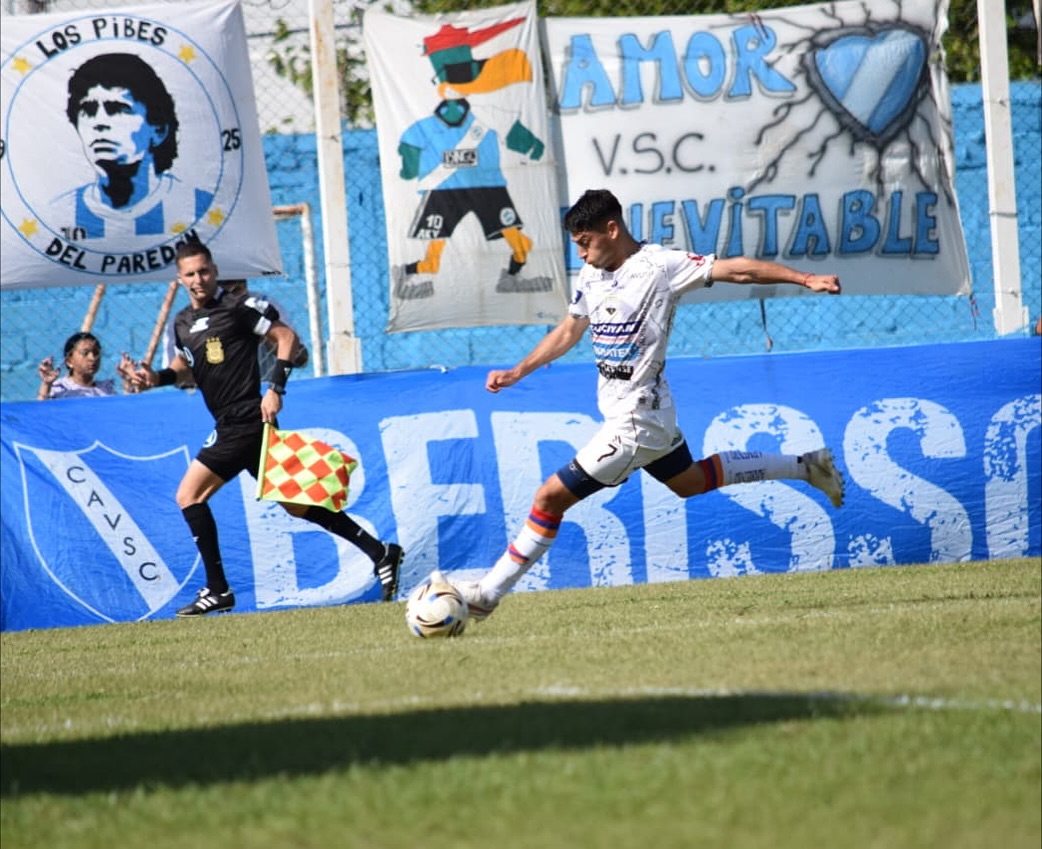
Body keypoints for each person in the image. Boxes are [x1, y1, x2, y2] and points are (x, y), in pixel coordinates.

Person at [445, 188, 846, 621]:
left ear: (612, 229)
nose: (581, 253)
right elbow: (568, 331)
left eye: (585, 242)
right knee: (690, 482)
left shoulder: (659, 267)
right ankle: (807, 465)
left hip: (636, 422)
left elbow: (738, 271)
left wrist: (806, 279)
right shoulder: (591, 277)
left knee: (548, 499)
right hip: (645, 412)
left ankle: (487, 594)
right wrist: (518, 371)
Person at [130, 241, 402, 616]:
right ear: (179, 279)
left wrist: (275, 388)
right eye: (190, 274)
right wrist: (153, 378)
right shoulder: (182, 323)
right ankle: (380, 552)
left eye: (204, 271)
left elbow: (286, 337)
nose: (199, 279)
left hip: (243, 419)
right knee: (297, 505)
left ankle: (218, 589)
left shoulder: (237, 308)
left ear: (214, 269)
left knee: (188, 496)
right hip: (236, 423)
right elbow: (186, 366)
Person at [49, 52, 212, 241]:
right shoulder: (58, 215)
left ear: (158, 130)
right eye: (88, 110)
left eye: (118, 109)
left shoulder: (200, 207)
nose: (99, 123)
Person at [160, 279, 309, 391]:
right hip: (213, 399)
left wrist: (264, 331)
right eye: (225, 290)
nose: (233, 298)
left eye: (238, 289)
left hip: (262, 390)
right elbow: (179, 379)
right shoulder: (184, 322)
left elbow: (300, 358)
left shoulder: (261, 305)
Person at [37, 331, 136, 399]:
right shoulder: (60, 389)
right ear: (69, 361)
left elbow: (125, 413)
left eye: (96, 353)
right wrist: (46, 384)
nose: (92, 358)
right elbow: (40, 413)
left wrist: (128, 381)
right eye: (85, 353)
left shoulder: (105, 391)